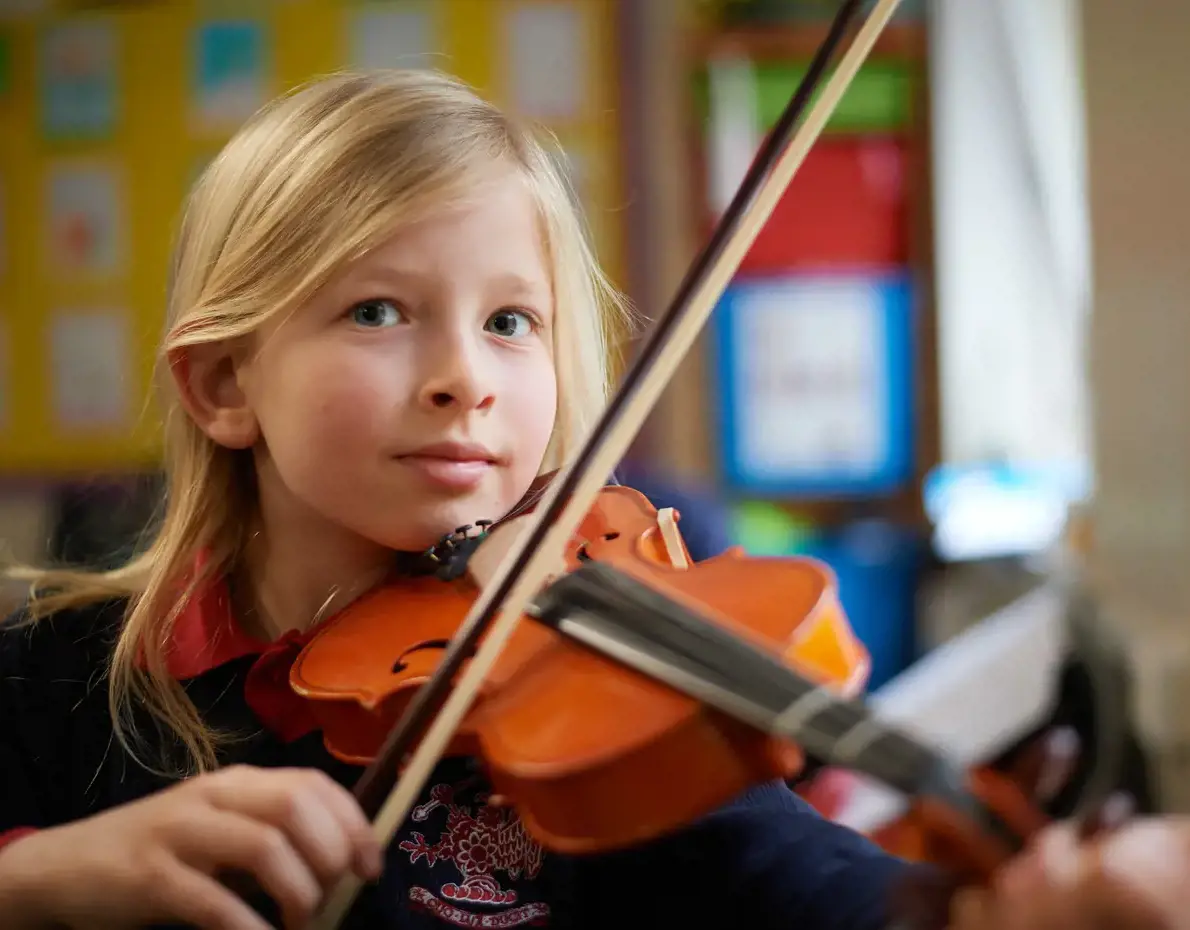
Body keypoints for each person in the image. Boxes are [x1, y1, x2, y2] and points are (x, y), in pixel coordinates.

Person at [0, 70, 922, 930]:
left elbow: (784, 866)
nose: (463, 378)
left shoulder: (591, 676)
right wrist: (41, 881)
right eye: (378, 311)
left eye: (510, 322)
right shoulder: (51, 679)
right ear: (224, 386)